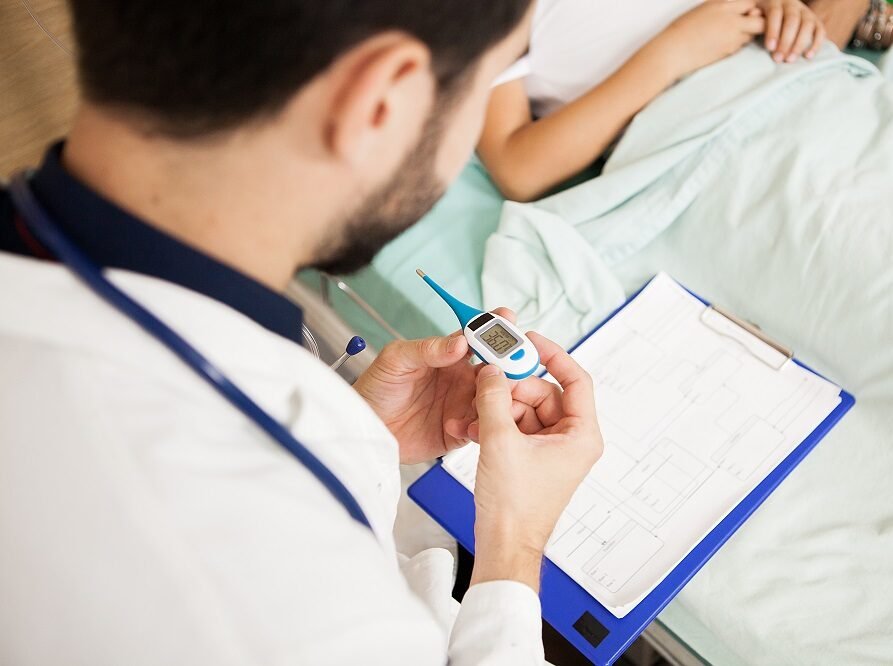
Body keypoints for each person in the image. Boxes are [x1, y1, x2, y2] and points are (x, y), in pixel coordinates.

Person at [0, 1, 605, 664]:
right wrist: (513, 548)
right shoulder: (274, 616)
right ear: (380, 101)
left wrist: (356, 438)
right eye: (497, 75)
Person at [478, 0, 827, 202]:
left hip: (810, 81)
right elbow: (517, 169)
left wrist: (783, 11)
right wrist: (673, 51)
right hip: (707, 140)